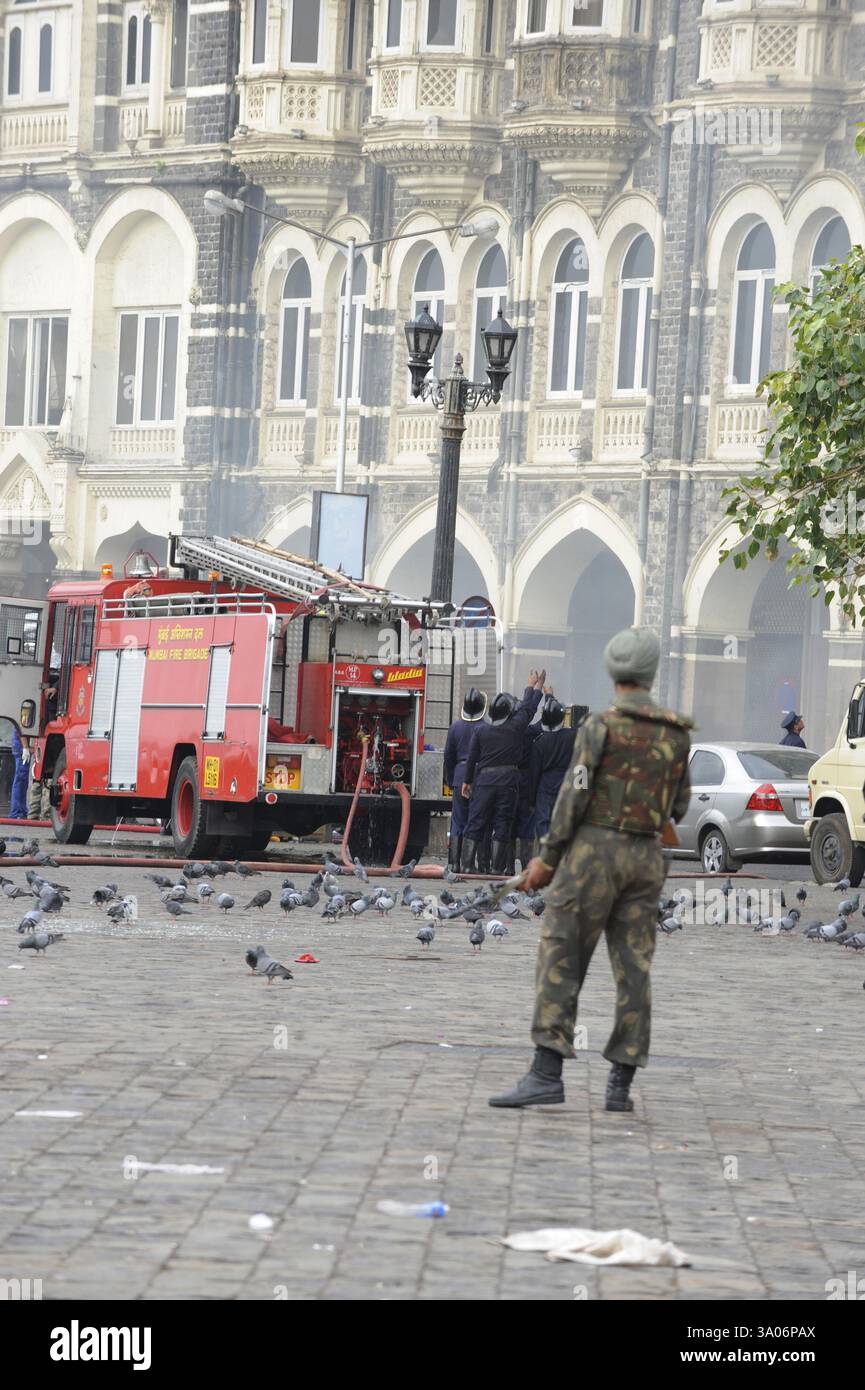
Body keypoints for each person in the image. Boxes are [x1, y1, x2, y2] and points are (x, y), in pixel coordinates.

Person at [489, 628, 692, 1115]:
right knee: (634, 969)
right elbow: (678, 807)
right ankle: (619, 1085)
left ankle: (546, 1074)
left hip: (593, 855)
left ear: (614, 671)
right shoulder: (677, 733)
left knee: (562, 955)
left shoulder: (600, 728)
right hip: (646, 860)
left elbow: (573, 796)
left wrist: (547, 859)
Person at [460, 670, 544, 874]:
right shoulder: (516, 727)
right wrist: (534, 687)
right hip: (508, 782)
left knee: (476, 822)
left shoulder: (480, 730)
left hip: (484, 781)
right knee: (502, 823)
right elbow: (529, 708)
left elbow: (472, 758)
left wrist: (467, 781)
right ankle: (498, 868)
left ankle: (468, 865)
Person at [443, 687, 488, 871]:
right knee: (476, 820)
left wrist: (452, 778)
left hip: (459, 775)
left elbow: (448, 755)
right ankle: (469, 865)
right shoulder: (485, 727)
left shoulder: (455, 727)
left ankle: (453, 864)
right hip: (479, 777)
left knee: (457, 820)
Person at [529, 697, 579, 842]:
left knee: (543, 821)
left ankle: (545, 854)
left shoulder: (539, 742)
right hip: (566, 781)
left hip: (545, 784)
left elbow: (534, 773)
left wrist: (531, 799)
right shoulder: (571, 736)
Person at [9, 726, 31, 819]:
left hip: (21, 743)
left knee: (23, 779)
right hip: (21, 745)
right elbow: (21, 728)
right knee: (20, 778)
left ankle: (21, 810)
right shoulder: (25, 713)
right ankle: (16, 811)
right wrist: (25, 748)